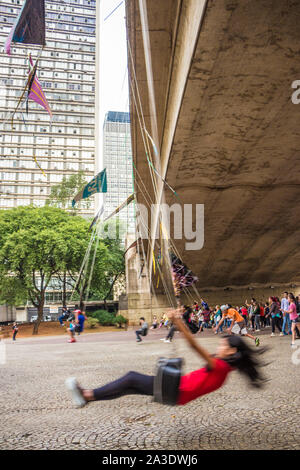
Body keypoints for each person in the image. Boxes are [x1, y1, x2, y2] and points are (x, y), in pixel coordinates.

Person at [65, 309, 268, 408]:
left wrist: (177, 322)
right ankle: (88, 398)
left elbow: (194, 345)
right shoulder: (224, 366)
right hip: (178, 390)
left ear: (232, 351)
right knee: (129, 386)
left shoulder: (221, 367)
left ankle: (87, 395)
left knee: (131, 378)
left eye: (224, 345)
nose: (220, 345)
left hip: (177, 390)